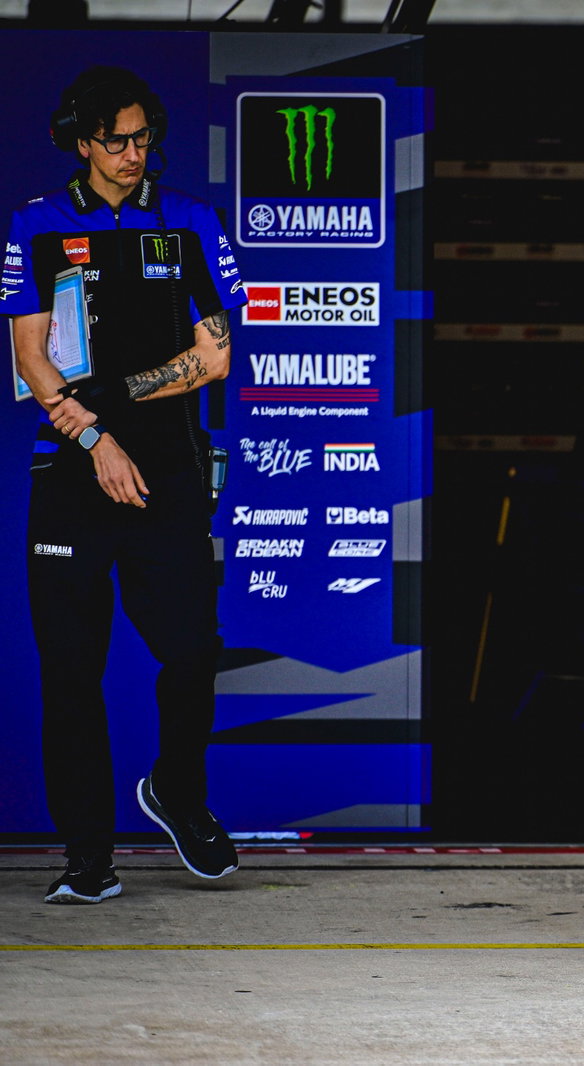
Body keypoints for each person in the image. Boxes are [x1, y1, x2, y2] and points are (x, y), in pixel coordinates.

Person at [5, 66, 247, 903]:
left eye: (144, 138)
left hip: (169, 470)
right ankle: (87, 859)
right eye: (117, 140)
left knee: (191, 651)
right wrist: (97, 434)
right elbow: (30, 358)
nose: (134, 154)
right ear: (82, 142)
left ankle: (177, 792)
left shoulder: (187, 220)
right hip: (72, 472)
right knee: (70, 670)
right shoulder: (36, 225)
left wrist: (122, 395)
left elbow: (214, 356)